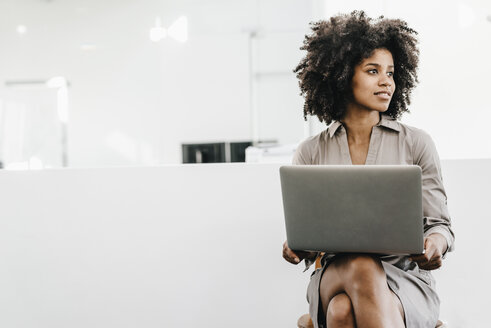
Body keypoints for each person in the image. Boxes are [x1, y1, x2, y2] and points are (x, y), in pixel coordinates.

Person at [282, 11, 454, 328]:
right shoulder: (311, 151)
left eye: (390, 72)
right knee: (360, 266)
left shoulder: (417, 143)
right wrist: (295, 247)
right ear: (343, 75)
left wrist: (434, 245)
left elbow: (440, 225)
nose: (386, 81)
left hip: (404, 278)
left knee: (340, 312)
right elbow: (304, 236)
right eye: (373, 71)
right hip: (334, 273)